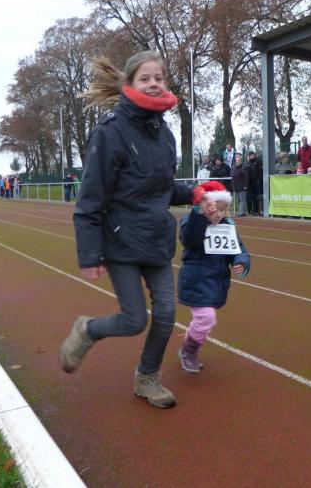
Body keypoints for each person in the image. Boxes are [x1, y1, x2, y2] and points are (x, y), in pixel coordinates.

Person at [60, 50, 193, 409]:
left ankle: (147, 378)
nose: (154, 84)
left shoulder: (165, 134)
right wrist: (89, 254)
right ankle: (88, 329)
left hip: (156, 240)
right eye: (145, 78)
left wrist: (197, 194)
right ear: (129, 83)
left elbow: (163, 188)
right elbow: (90, 198)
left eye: (159, 78)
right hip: (120, 241)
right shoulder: (110, 133)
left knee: (166, 315)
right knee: (134, 320)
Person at [177, 181, 250, 373]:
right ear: (204, 206)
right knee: (206, 318)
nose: (218, 214)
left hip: (216, 282)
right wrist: (199, 216)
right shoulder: (190, 222)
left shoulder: (227, 227)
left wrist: (241, 261)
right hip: (195, 280)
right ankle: (188, 351)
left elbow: (238, 249)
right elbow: (190, 240)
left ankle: (190, 343)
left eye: (223, 210)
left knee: (205, 319)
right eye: (214, 209)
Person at [231, 152, 248, 217]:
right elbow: (232, 176)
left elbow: (247, 177)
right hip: (236, 186)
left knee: (242, 200)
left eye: (238, 160)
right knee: (238, 200)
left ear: (241, 161)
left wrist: (245, 185)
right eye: (236, 160)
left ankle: (241, 212)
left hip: (242, 186)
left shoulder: (244, 167)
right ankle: (242, 211)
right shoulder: (233, 167)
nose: (237, 161)